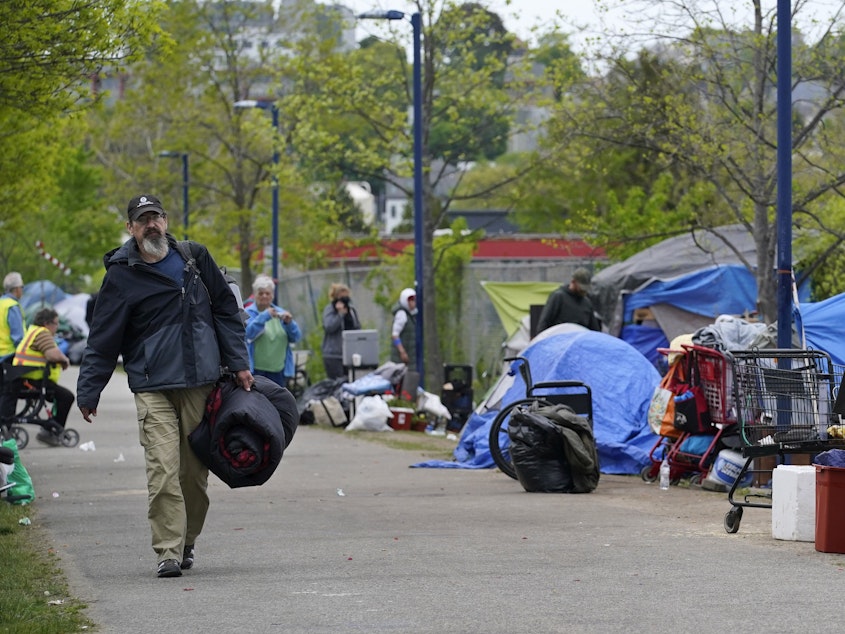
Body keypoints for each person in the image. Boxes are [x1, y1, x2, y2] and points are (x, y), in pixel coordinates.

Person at [76, 193, 254, 579]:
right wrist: (89, 390)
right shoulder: (121, 275)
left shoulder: (194, 258)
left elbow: (226, 310)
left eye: (156, 217)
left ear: (166, 221)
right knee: (162, 468)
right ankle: (168, 551)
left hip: (199, 383)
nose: (151, 225)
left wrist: (239, 364)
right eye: (143, 220)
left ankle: (187, 539)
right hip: (152, 386)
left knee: (193, 474)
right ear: (131, 229)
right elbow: (103, 339)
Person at [12, 307, 74, 446]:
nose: (57, 327)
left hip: (25, 379)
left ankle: (49, 429)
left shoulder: (32, 331)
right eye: (56, 323)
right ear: (47, 323)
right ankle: (51, 432)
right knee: (66, 396)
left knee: (60, 395)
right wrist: (64, 360)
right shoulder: (43, 333)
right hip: (33, 381)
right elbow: (52, 354)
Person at [245, 275, 302, 388]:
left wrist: (289, 323)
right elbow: (247, 334)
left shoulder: (281, 313)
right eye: (260, 293)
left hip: (279, 372)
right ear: (255, 295)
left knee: (277, 403)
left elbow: (296, 337)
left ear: (273, 295)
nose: (264, 296)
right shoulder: (248, 312)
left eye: (268, 293)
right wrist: (265, 316)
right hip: (255, 371)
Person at [536, 267, 601, 332]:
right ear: (573, 282)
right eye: (581, 287)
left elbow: (594, 329)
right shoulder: (559, 297)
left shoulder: (587, 303)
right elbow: (544, 322)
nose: (584, 291)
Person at [321, 283, 361, 379]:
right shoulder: (330, 309)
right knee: (336, 382)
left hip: (350, 353)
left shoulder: (351, 310)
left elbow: (357, 327)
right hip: (334, 354)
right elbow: (329, 326)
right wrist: (340, 315)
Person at [0, 272, 25, 360]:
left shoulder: (1, 303)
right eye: (22, 287)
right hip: (9, 356)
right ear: (17, 289)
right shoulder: (12, 306)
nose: (22, 290)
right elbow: (18, 338)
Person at [390, 288, 417, 369]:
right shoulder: (401, 315)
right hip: (402, 357)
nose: (413, 303)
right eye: (411, 300)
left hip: (411, 354)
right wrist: (402, 352)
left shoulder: (413, 314)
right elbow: (395, 335)